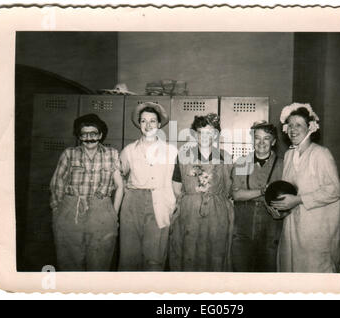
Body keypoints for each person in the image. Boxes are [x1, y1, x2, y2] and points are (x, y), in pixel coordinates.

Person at [270, 103, 340, 273]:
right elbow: (288, 192)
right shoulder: (288, 155)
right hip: (292, 229)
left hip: (315, 229)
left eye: (298, 125)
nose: (293, 130)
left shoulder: (321, 154)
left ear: (310, 128)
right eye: (290, 125)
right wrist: (281, 210)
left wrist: (299, 200)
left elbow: (334, 190)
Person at [50, 113, 123, 271]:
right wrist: (58, 212)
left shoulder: (112, 154)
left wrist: (113, 214)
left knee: (100, 262)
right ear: (79, 136)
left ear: (101, 135)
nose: (89, 138)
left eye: (94, 134)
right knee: (70, 262)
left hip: (102, 211)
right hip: (72, 210)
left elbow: (120, 186)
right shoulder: (69, 154)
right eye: (84, 134)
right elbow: (56, 183)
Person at [169, 113, 234, 271]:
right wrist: (194, 200)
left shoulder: (226, 157)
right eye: (200, 132)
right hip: (189, 213)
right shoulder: (183, 156)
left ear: (216, 134)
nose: (204, 136)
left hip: (217, 214)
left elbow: (229, 189)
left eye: (209, 132)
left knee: (215, 254)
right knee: (188, 253)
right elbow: (177, 188)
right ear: (194, 134)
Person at [118, 102, 177, 271]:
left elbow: (176, 181)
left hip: (159, 203)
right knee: (129, 255)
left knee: (155, 257)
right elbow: (119, 176)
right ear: (139, 124)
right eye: (143, 121)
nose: (148, 125)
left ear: (159, 124)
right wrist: (128, 191)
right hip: (132, 204)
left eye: (152, 121)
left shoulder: (171, 151)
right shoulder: (129, 150)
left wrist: (171, 204)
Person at [231, 121, 284, 272]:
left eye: (266, 138)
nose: (261, 142)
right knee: (241, 270)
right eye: (257, 138)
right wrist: (263, 192)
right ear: (252, 140)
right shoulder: (242, 163)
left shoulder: (283, 165)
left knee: (267, 272)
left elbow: (288, 196)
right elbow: (237, 194)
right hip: (243, 222)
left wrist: (282, 213)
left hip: (271, 223)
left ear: (273, 142)